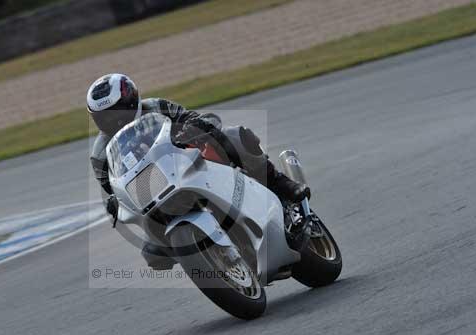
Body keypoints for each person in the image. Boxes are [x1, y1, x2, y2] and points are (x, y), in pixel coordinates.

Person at [87, 73, 310, 267]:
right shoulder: (100, 154)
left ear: (131, 101)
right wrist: (114, 202)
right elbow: (111, 187)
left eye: (115, 111)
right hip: (152, 191)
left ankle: (280, 183)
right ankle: (196, 253)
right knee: (152, 250)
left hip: (185, 160)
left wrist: (197, 127)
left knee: (236, 136)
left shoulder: (156, 106)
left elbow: (192, 117)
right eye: (103, 117)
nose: (112, 120)